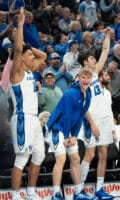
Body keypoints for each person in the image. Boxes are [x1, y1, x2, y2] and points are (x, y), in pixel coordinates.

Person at [9, 8, 47, 200]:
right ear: (20, 58)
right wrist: (21, 24)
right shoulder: (16, 73)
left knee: (39, 156)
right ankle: (16, 195)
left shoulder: (31, 72)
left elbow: (44, 57)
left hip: (34, 120)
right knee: (22, 158)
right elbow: (17, 50)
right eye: (29, 55)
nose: (33, 57)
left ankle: (30, 192)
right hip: (22, 117)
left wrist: (30, 49)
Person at [45, 68, 93, 200]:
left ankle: (78, 192)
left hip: (69, 131)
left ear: (91, 79)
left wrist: (74, 136)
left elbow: (81, 116)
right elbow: (66, 116)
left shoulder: (89, 94)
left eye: (88, 78)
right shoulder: (70, 93)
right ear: (78, 78)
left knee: (76, 159)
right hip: (56, 128)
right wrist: (67, 137)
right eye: (83, 77)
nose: (86, 80)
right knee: (61, 159)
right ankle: (56, 194)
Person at [78, 28, 114, 200]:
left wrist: (107, 35)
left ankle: (99, 189)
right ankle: (80, 189)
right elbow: (82, 104)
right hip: (92, 120)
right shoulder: (81, 78)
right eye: (92, 58)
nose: (95, 60)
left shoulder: (95, 73)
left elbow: (106, 51)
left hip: (105, 119)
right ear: (85, 62)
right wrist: (91, 123)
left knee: (103, 154)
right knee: (90, 154)